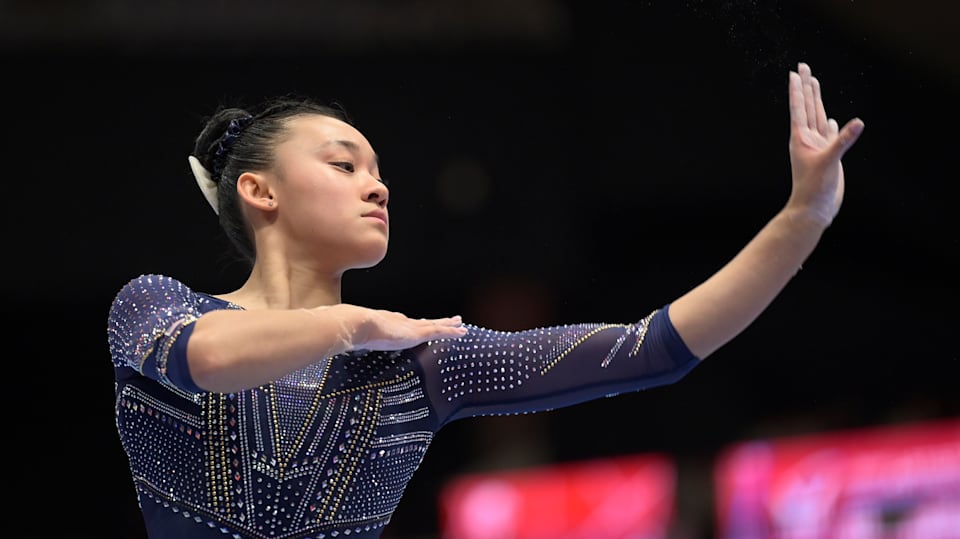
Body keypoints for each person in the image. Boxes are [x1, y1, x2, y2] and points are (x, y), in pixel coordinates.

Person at [107, 62, 863, 539]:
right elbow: (203, 361)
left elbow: (654, 347)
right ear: (258, 189)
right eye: (344, 164)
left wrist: (803, 218)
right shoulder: (156, 306)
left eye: (378, 169)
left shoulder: (419, 363)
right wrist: (348, 324)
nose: (378, 183)